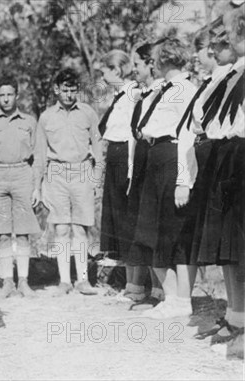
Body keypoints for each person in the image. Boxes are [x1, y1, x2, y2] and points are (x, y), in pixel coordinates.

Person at [128, 38, 198, 320]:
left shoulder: (184, 89)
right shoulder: (161, 89)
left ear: (168, 58)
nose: (151, 62)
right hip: (154, 157)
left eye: (156, 58)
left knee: (174, 232)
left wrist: (184, 180)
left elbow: (188, 134)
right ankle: (171, 297)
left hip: (172, 158)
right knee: (149, 231)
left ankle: (182, 300)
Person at [192, 10, 245, 358]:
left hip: (240, 153)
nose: (219, 45)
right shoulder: (234, 75)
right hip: (227, 155)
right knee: (233, 248)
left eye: (227, 35)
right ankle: (239, 320)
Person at [37, 68, 102, 296]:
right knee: (61, 228)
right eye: (65, 90)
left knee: (81, 228)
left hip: (83, 171)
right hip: (56, 173)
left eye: (73, 90)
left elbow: (98, 147)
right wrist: (38, 186)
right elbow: (40, 154)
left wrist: (96, 179)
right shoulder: (46, 117)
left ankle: (83, 280)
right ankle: (64, 280)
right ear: (56, 90)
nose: (69, 95)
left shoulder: (88, 113)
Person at [0, 75, 41, 298]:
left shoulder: (29, 121)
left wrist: (37, 187)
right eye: (1, 95)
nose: (5, 99)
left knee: (23, 232)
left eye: (9, 94)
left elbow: (39, 156)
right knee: (2, 233)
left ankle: (23, 282)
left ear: (16, 95)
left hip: (23, 174)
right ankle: (7, 283)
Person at [96, 50, 142, 302]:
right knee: (116, 219)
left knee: (128, 219)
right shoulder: (118, 96)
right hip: (114, 156)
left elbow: (133, 135)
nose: (103, 74)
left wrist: (131, 169)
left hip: (126, 157)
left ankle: (137, 286)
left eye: (106, 69)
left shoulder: (134, 94)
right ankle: (128, 283)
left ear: (117, 70)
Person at [125, 40, 166, 310]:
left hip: (157, 160)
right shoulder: (143, 93)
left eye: (137, 64)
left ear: (151, 63)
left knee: (157, 225)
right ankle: (150, 288)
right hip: (139, 161)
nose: (134, 70)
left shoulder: (164, 91)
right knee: (142, 225)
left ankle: (163, 292)